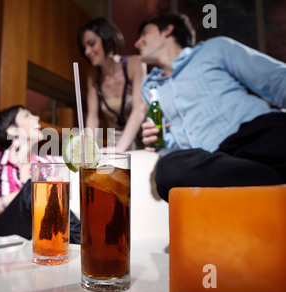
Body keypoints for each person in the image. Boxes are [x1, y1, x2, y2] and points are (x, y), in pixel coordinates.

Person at [135, 13, 286, 202]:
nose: (137, 43)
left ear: (167, 30)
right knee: (168, 170)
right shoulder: (151, 88)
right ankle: (273, 185)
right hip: (218, 160)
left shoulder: (214, 49)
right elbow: (176, 144)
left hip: (259, 133)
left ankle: (267, 187)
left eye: (144, 34)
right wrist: (161, 141)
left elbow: (276, 79)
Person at [0, 105, 81, 243]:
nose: (37, 117)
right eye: (27, 115)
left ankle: (82, 242)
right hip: (1, 234)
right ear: (12, 130)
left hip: (40, 232)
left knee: (41, 190)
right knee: (34, 189)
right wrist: (28, 191)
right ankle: (83, 242)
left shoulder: (47, 162)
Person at [77, 17, 147, 152]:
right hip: (115, 139)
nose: (87, 52)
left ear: (107, 39)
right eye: (84, 47)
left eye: (91, 43)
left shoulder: (135, 64)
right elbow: (92, 116)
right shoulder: (93, 74)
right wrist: (88, 148)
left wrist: (119, 148)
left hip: (143, 135)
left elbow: (139, 108)